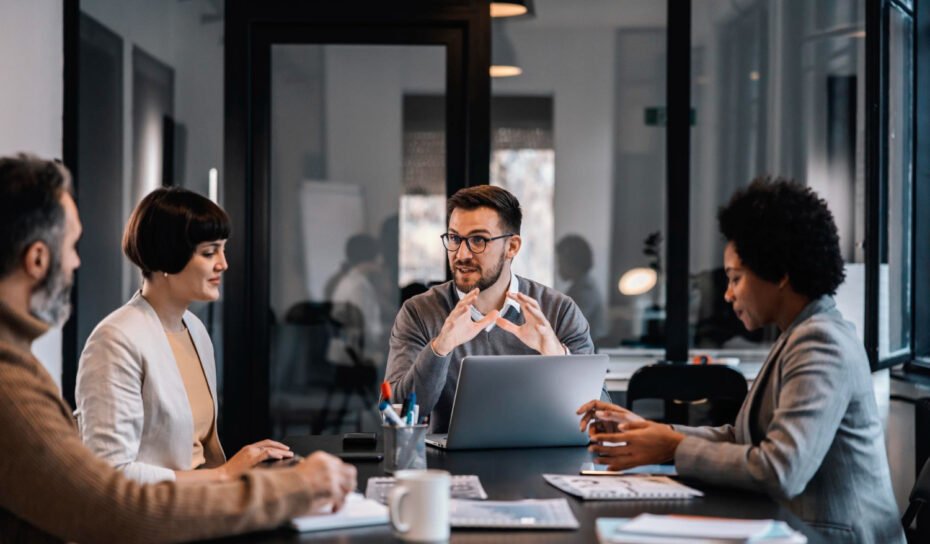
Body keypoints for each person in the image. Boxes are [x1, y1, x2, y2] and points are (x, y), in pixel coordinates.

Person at [0, 154, 356, 542]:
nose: (76, 262)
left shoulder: (195, 330)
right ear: (37, 258)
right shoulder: (38, 372)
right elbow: (111, 498)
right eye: (71, 246)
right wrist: (270, 486)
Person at [576, 178, 904, 543]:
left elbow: (781, 469)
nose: (729, 293)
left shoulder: (820, 341)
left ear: (780, 273)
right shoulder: (799, 333)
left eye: (736, 278)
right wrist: (654, 432)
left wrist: (673, 446)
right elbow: (742, 438)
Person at [74, 187, 292, 483]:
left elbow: (198, 453)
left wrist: (239, 466)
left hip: (202, 502)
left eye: (223, 249)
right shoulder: (115, 341)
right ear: (167, 257)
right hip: (157, 518)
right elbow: (111, 473)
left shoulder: (195, 328)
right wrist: (225, 474)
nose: (223, 264)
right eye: (209, 252)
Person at [385, 185, 608, 433]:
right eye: (455, 238)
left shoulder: (559, 311)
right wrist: (441, 347)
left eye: (478, 240)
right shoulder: (419, 312)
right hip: (447, 466)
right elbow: (398, 412)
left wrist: (556, 353)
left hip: (541, 462)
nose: (462, 254)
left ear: (512, 247)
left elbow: (603, 418)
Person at [556, 234, 607, 342]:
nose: (558, 268)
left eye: (560, 262)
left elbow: (569, 326)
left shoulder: (585, 290)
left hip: (588, 352)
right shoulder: (578, 286)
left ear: (572, 262)